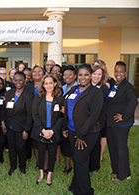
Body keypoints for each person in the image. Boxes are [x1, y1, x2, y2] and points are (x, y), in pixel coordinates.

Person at [64, 64, 103, 195]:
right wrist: (65, 127)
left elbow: (93, 116)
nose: (83, 77)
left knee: (80, 161)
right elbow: (68, 109)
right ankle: (75, 185)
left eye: (86, 74)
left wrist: (81, 134)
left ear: (91, 75)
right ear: (77, 76)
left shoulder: (96, 92)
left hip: (87, 133)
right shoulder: (74, 89)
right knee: (78, 159)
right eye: (80, 75)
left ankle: (86, 191)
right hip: (72, 130)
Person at [106, 61, 138, 181]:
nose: (118, 74)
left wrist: (124, 116)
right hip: (111, 123)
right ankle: (116, 169)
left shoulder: (127, 86)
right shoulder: (116, 85)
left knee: (121, 148)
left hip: (121, 124)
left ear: (125, 73)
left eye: (121, 71)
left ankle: (124, 174)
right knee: (113, 147)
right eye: (116, 71)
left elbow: (133, 102)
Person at [31, 74, 64, 186]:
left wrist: (53, 131)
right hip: (41, 130)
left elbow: (61, 116)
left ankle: (49, 174)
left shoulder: (60, 98)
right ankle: (41, 173)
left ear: (55, 84)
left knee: (51, 153)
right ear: (43, 85)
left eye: (51, 83)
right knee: (41, 152)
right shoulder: (38, 97)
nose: (48, 85)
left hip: (53, 131)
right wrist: (43, 130)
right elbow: (34, 115)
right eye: (46, 83)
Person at [1, 72, 33, 175]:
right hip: (10, 126)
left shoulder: (28, 96)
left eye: (20, 80)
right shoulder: (9, 93)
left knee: (21, 148)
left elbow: (30, 115)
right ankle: (12, 166)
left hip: (21, 127)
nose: (18, 82)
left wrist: (26, 130)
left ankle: (22, 167)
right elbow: (4, 109)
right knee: (12, 148)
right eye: (15, 80)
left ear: (25, 81)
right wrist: (3, 124)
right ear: (13, 80)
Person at [89, 64, 109, 173]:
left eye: (99, 74)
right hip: (86, 120)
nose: (96, 76)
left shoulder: (104, 88)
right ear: (90, 74)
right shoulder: (85, 87)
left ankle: (94, 167)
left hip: (99, 120)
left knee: (96, 144)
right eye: (94, 74)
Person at [25, 65, 45, 169]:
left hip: (44, 117)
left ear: (44, 73)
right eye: (34, 71)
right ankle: (38, 162)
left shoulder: (47, 85)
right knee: (35, 141)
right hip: (30, 117)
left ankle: (45, 163)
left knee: (44, 141)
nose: (37, 73)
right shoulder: (27, 86)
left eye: (39, 71)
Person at [61, 65, 78, 175]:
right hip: (63, 120)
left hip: (74, 121)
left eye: (70, 75)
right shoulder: (62, 88)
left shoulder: (78, 88)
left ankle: (78, 166)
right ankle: (68, 166)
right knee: (66, 145)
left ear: (75, 76)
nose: (67, 77)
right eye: (65, 74)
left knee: (76, 146)